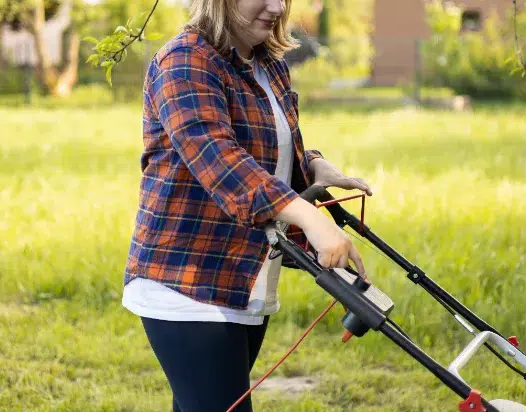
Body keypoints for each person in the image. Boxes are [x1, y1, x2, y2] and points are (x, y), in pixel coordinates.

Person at [120, 0, 372, 411]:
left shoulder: (267, 62)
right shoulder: (184, 62)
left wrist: (315, 165)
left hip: (246, 277)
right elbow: (220, 160)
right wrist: (310, 218)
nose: (277, 7)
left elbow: (265, 145)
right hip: (189, 283)